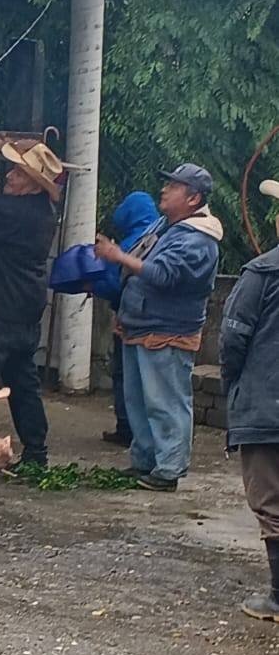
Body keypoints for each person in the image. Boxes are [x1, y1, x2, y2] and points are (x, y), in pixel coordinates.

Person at [96, 163, 222, 492]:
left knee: (165, 402)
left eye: (174, 186)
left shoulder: (198, 239)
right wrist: (123, 311)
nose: (164, 190)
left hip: (167, 332)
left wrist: (116, 256)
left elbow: (162, 275)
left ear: (193, 198)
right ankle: (145, 461)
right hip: (142, 325)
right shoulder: (167, 225)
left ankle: (169, 469)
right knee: (138, 401)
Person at [0, 140, 63, 470]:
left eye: (18, 173)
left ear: (34, 184)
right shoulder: (40, 212)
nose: (9, 176)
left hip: (3, 308)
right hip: (27, 307)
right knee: (22, 380)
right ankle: (36, 453)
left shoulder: (14, 212)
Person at [219, 178, 279, 623]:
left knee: (271, 500)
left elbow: (233, 339)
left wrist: (235, 387)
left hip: (267, 405)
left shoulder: (262, 273)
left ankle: (278, 595)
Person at [94, 192, 160, 447]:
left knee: (125, 376)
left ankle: (127, 429)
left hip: (130, 319)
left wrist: (92, 284)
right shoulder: (160, 236)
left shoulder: (133, 242)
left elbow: (114, 285)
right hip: (154, 321)